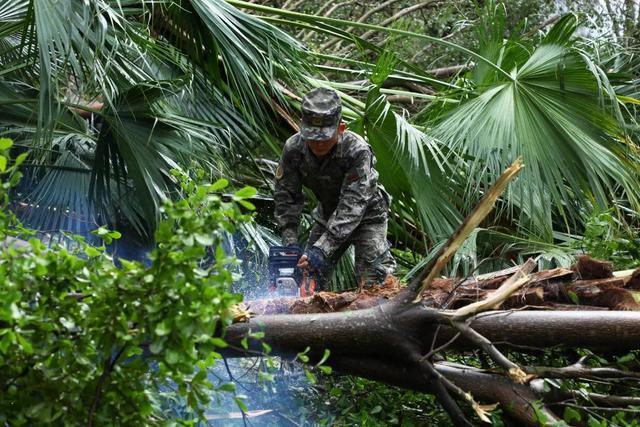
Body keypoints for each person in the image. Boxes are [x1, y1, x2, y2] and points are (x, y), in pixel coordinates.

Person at [274, 87, 395, 289]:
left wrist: (322, 249)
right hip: (328, 214)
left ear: (341, 128)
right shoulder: (293, 149)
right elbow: (286, 198)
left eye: (325, 136)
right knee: (307, 275)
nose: (318, 143)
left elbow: (353, 204)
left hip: (368, 216)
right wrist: (290, 244)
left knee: (375, 281)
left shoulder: (357, 150)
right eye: (312, 136)